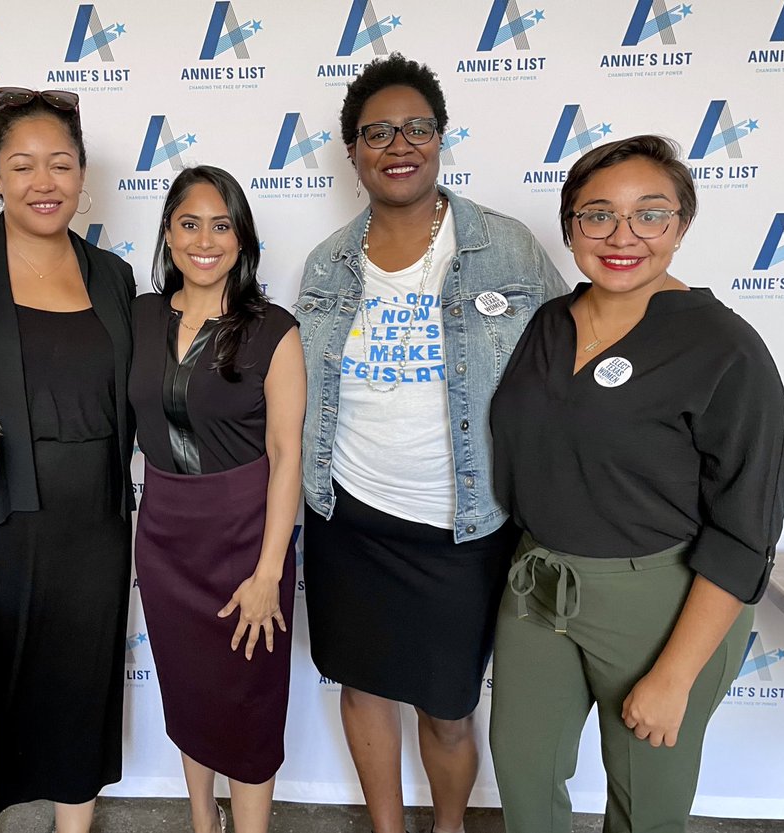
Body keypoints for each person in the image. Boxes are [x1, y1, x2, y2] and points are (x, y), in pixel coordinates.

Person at [295, 54, 567, 833]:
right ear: (354, 153)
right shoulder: (326, 266)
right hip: (348, 518)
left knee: (449, 707)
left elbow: (572, 348)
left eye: (416, 126)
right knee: (361, 686)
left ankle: (446, 826)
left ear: (441, 139)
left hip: (462, 526)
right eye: (376, 132)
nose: (398, 143)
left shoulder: (508, 249)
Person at [488, 134, 784, 833]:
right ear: (570, 228)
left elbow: (745, 531)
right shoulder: (547, 323)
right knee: (523, 774)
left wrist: (676, 673)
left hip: (662, 600)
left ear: (681, 224)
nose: (623, 236)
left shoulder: (726, 348)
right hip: (538, 583)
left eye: (650, 214)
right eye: (598, 215)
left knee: (645, 805)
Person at [0, 87, 136, 833]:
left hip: (95, 523)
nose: (43, 181)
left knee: (80, 686)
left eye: (60, 163)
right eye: (22, 164)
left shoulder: (111, 276)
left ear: (83, 174)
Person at [129, 165, 305, 833]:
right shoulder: (141, 315)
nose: (205, 239)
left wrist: (268, 573)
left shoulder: (274, 329)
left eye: (221, 224)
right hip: (167, 533)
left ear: (242, 238)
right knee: (191, 690)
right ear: (169, 234)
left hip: (246, 537)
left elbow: (286, 455)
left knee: (249, 700)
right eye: (189, 223)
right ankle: (205, 820)